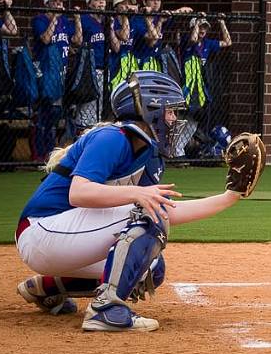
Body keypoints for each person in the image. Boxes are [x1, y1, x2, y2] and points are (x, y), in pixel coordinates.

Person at [14, 71, 246, 331]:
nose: (173, 119)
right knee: (146, 214)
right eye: (169, 111)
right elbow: (78, 193)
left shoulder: (149, 153)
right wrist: (136, 194)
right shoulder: (112, 138)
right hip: (41, 230)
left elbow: (165, 211)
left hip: (65, 240)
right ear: (149, 110)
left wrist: (230, 197)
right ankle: (106, 309)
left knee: (151, 267)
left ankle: (46, 287)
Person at [31, 0, 82, 158]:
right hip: (46, 71)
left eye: (61, 1)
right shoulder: (40, 19)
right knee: (47, 113)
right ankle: (41, 153)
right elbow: (46, 39)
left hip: (63, 71)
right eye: (55, 1)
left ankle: (55, 151)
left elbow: (77, 40)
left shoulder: (64, 21)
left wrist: (77, 19)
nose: (60, 3)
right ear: (47, 4)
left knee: (60, 112)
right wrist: (54, 18)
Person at [175, 14, 233, 156]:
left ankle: (179, 151)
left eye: (205, 27)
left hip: (199, 90)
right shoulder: (185, 41)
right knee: (181, 119)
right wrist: (195, 23)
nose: (203, 30)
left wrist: (221, 22)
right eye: (200, 27)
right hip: (186, 87)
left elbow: (227, 42)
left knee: (194, 120)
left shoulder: (207, 43)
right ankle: (175, 151)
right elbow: (193, 39)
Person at [71, 0, 110, 132]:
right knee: (87, 108)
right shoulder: (85, 19)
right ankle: (81, 138)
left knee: (99, 110)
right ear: (89, 3)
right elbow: (76, 41)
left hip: (105, 69)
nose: (101, 2)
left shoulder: (107, 20)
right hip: (89, 70)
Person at [132, 0, 192, 72]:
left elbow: (183, 12)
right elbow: (152, 41)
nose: (156, 2)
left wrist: (177, 11)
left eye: (158, 0)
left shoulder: (159, 17)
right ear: (144, 2)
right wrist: (158, 21)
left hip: (156, 62)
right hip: (140, 61)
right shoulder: (138, 20)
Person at [108, 0, 137, 94]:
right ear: (116, 7)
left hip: (130, 64)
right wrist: (125, 16)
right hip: (116, 63)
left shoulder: (133, 20)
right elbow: (124, 36)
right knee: (116, 92)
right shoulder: (113, 21)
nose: (127, 6)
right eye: (124, 3)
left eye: (129, 3)